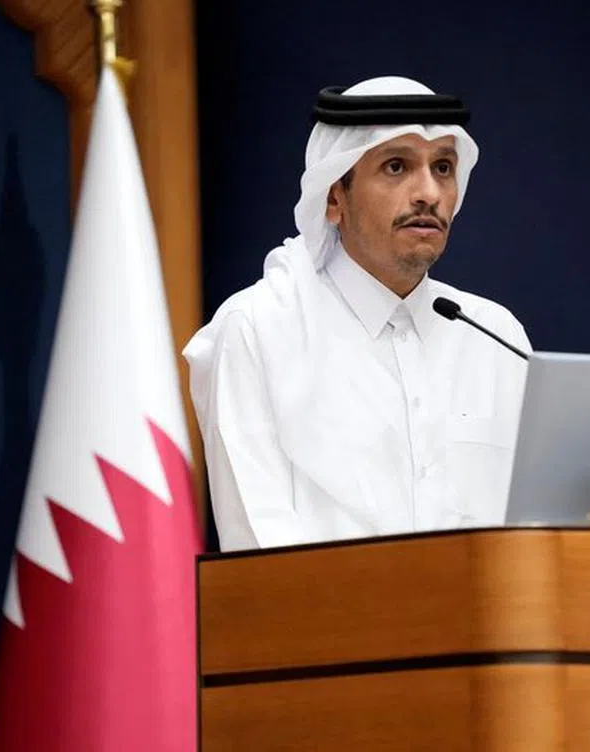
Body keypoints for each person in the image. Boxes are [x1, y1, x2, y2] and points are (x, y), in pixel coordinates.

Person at [184, 76, 530, 552]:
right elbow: (258, 555)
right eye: (396, 166)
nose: (428, 193)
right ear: (333, 198)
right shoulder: (260, 328)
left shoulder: (495, 336)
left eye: (444, 167)